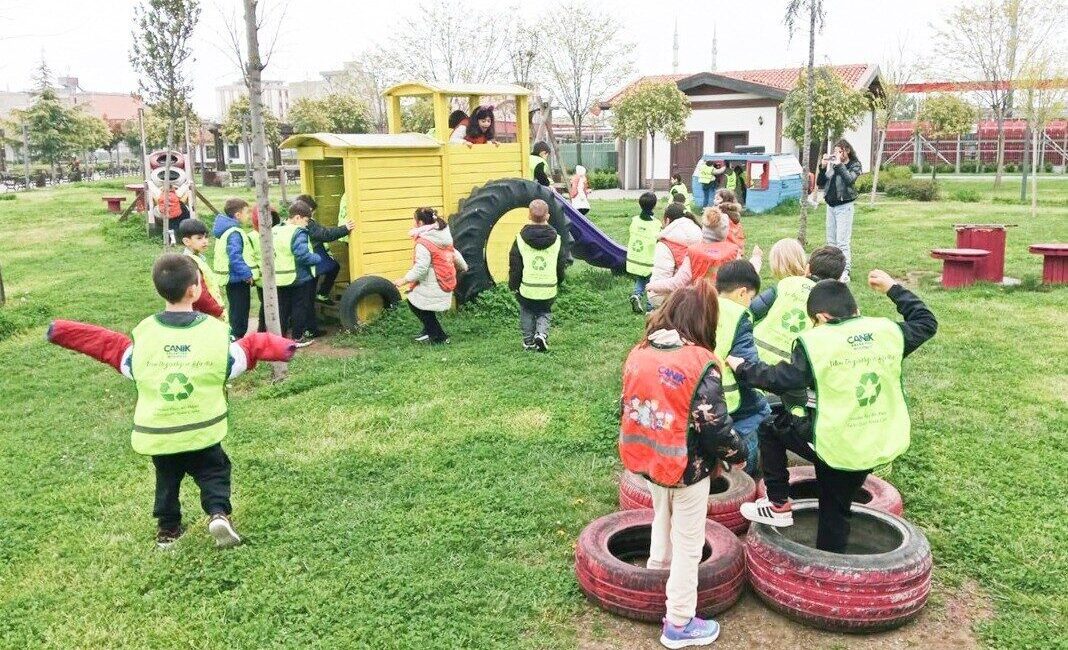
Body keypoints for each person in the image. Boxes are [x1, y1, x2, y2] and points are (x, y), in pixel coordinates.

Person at [45, 253, 297, 549]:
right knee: (213, 471)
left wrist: (62, 331)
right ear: (194, 290)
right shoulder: (213, 332)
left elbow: (107, 345)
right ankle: (218, 513)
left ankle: (168, 530)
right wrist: (284, 346)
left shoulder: (146, 335)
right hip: (201, 428)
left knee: (167, 478)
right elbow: (247, 350)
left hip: (161, 432)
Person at [729, 272, 937, 552]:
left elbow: (780, 379)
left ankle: (782, 509)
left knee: (772, 429)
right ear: (856, 309)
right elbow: (926, 321)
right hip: (878, 439)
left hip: (838, 445)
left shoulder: (819, 344)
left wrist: (742, 367)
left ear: (821, 317)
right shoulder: (887, 334)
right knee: (839, 501)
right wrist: (892, 287)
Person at [618, 282, 744, 649]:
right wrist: (738, 454)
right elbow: (714, 426)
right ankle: (679, 622)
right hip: (688, 468)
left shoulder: (641, 351)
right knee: (689, 542)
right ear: (706, 320)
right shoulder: (699, 362)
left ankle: (657, 578)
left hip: (650, 459)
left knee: (662, 518)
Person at [714, 260, 771, 475]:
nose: (749, 303)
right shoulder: (739, 316)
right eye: (750, 298)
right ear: (742, 292)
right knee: (760, 410)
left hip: (691, 388)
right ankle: (745, 471)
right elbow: (747, 363)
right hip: (726, 395)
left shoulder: (700, 302)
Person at [750, 245, 846, 368]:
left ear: (807, 268)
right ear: (839, 279)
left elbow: (751, 311)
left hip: (753, 354)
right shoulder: (834, 303)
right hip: (790, 368)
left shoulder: (787, 283)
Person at [394, 208, 468, 345]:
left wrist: (404, 280)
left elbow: (421, 268)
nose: (413, 222)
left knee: (415, 304)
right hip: (445, 281)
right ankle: (428, 331)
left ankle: (439, 337)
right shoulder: (441, 235)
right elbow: (453, 252)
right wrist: (464, 266)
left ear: (421, 223)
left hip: (434, 283)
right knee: (423, 305)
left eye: (414, 219)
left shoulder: (424, 242)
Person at [508, 199, 565, 352]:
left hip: (527, 287)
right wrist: (560, 280)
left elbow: (515, 266)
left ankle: (528, 342)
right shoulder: (557, 240)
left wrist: (513, 285)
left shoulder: (520, 239)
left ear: (529, 215)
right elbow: (560, 264)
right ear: (548, 216)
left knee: (527, 311)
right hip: (548, 287)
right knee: (545, 311)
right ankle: (541, 334)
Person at [647, 207, 738, 297]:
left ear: (705, 229)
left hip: (701, 300)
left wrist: (652, 285)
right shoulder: (734, 251)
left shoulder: (694, 253)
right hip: (724, 299)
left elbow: (678, 283)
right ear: (724, 231)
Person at [272, 201, 322, 346]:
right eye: (306, 221)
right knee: (299, 307)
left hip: (279, 276)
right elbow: (302, 255)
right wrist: (317, 258)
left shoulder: (275, 230)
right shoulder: (298, 232)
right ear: (297, 217)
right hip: (298, 277)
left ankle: (280, 338)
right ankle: (297, 337)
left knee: (282, 308)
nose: (306, 225)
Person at [293, 194, 354, 310]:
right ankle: (322, 295)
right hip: (313, 253)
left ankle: (318, 299)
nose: (311, 215)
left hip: (307, 257)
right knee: (332, 268)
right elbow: (324, 234)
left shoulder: (294, 221)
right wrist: (345, 228)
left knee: (312, 283)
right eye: (311, 212)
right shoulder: (308, 223)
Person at [212, 198, 259, 337]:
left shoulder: (227, 231)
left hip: (232, 278)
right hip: (238, 278)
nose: (249, 215)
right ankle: (237, 337)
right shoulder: (234, 233)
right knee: (240, 309)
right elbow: (235, 257)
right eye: (247, 212)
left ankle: (234, 334)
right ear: (238, 215)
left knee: (235, 308)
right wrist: (247, 274)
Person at [817, 139, 862, 282]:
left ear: (847, 151)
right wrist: (823, 167)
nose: (836, 154)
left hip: (844, 206)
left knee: (842, 242)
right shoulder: (834, 166)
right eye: (835, 151)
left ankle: (845, 271)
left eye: (839, 151)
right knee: (831, 241)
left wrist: (839, 165)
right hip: (831, 206)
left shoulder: (854, 165)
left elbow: (849, 180)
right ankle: (832, 270)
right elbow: (820, 183)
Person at [647, 203, 702, 309]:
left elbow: (663, 277)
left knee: (654, 294)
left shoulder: (665, 245)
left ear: (667, 220)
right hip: (700, 293)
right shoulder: (701, 236)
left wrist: (651, 288)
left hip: (675, 295)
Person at [178, 219, 225, 321]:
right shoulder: (190, 263)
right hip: (202, 314)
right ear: (186, 241)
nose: (205, 241)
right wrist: (217, 311)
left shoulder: (198, 258)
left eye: (206, 237)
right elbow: (200, 293)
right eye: (199, 238)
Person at [626, 192, 661, 314]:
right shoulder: (656, 223)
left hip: (635, 258)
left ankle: (637, 295)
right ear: (654, 205)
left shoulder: (634, 220)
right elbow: (659, 239)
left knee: (641, 277)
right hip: (649, 259)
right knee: (652, 282)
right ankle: (650, 307)